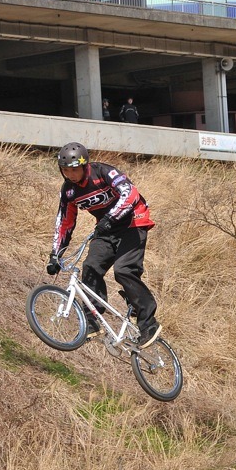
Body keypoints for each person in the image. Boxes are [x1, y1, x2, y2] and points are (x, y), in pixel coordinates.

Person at [45, 142, 162, 348]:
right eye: (65, 170)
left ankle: (148, 323)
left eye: (74, 170)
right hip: (107, 229)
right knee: (90, 267)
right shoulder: (69, 191)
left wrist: (111, 217)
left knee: (124, 270)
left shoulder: (104, 172)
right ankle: (92, 321)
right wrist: (56, 254)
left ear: (84, 165)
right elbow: (64, 222)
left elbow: (131, 194)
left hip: (134, 221)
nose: (70, 175)